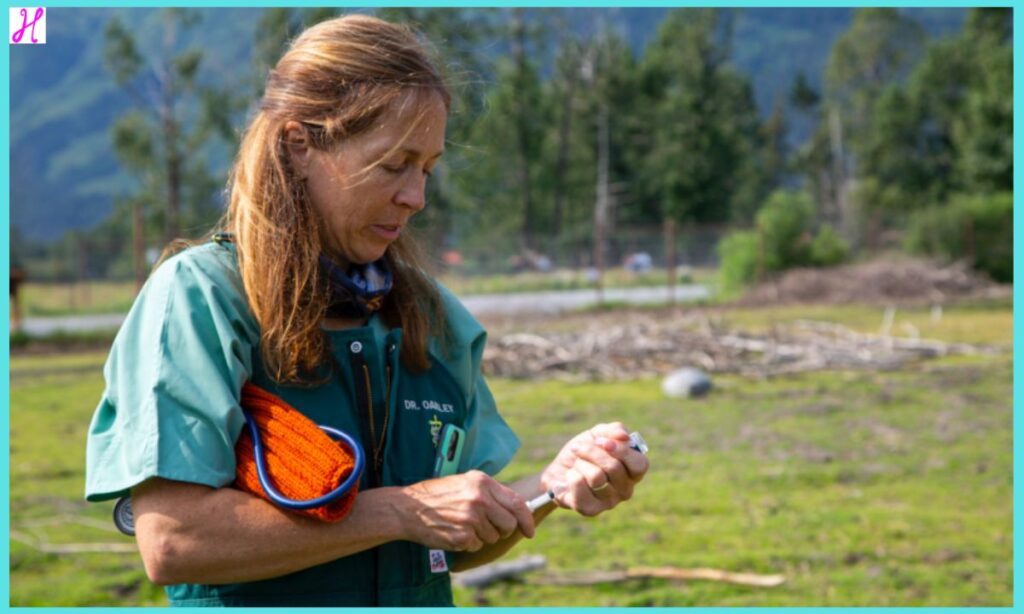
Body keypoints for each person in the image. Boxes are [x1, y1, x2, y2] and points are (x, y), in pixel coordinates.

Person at [85, 14, 648, 607]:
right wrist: (402, 511)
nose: (417, 196)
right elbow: (175, 540)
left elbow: (447, 545)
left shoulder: (432, 316)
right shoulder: (202, 298)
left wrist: (547, 487)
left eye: (427, 168)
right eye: (393, 165)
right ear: (300, 145)